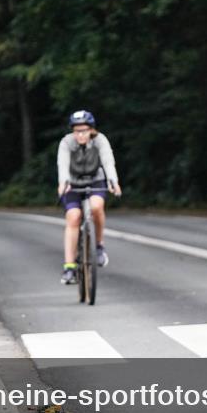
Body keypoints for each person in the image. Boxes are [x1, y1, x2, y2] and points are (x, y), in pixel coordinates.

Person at [56, 110, 121, 284]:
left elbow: (108, 161)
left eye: (84, 130)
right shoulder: (66, 142)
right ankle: (69, 266)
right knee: (73, 217)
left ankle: (99, 246)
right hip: (73, 183)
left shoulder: (100, 140)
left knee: (96, 206)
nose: (80, 134)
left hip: (95, 181)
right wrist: (63, 182)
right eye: (76, 131)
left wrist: (113, 181)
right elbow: (62, 163)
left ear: (92, 130)